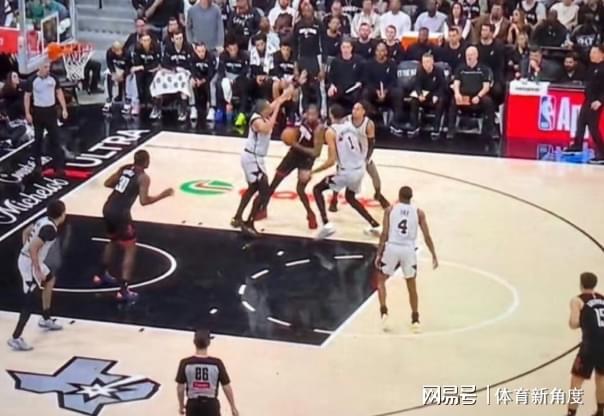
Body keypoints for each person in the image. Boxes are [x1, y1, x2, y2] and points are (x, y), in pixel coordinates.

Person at [95, 150, 174, 302]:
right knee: (130, 248)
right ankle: (123, 290)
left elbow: (107, 183)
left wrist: (123, 189)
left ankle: (99, 275)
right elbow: (144, 201)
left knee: (113, 241)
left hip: (108, 208)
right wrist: (163, 195)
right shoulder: (143, 177)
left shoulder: (125, 168)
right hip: (121, 214)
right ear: (146, 161)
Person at [312, 103, 381, 239]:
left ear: (331, 115)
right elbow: (360, 145)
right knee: (350, 198)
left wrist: (314, 171)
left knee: (317, 189)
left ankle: (326, 225)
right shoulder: (350, 126)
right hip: (360, 169)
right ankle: (375, 225)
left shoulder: (331, 132)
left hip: (347, 173)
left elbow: (331, 160)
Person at [374, 186, 438, 332]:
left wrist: (379, 253)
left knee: (381, 280)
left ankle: (384, 312)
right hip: (408, 250)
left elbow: (384, 234)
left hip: (392, 248)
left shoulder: (390, 210)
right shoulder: (418, 212)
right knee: (411, 285)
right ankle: (415, 320)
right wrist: (433, 253)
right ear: (411, 197)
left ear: (399, 196)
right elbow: (427, 236)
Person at [231, 89, 292, 236]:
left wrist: (287, 93)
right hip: (252, 159)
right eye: (268, 107)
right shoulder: (256, 120)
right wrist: (277, 108)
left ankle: (237, 217)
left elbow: (277, 102)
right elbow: (267, 128)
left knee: (253, 188)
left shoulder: (262, 114)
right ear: (263, 110)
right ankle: (249, 223)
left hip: (256, 159)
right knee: (264, 192)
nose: (271, 108)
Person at [7, 199, 67, 351]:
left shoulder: (43, 220)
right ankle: (15, 338)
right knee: (30, 300)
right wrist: (37, 269)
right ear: (62, 214)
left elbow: (26, 231)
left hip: (31, 260)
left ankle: (45, 318)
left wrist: (25, 249)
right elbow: (33, 248)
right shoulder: (50, 230)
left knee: (50, 279)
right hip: (30, 264)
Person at [254, 105, 324, 229]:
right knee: (274, 183)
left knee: (300, 190)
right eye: (309, 114)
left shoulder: (319, 129)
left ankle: (310, 214)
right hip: (293, 155)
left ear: (318, 115)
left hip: (307, 159)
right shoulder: (302, 120)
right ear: (306, 114)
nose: (310, 117)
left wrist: (295, 145)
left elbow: (316, 153)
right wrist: (289, 136)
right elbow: (292, 132)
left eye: (313, 115)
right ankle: (263, 208)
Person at [329, 100, 390, 211]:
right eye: (353, 108)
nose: (354, 111)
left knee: (375, 177)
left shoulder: (368, 124)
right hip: (349, 156)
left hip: (363, 154)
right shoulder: (346, 120)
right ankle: (334, 199)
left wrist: (367, 158)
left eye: (357, 109)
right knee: (339, 177)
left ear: (363, 112)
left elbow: (371, 143)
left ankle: (378, 195)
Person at [176, 329, 239, 416]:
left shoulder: (185, 363)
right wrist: (233, 406)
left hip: (193, 404)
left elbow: (180, 388)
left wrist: (181, 405)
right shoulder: (217, 363)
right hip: (211, 405)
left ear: (194, 342)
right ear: (209, 343)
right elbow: (226, 386)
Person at [566, 272, 604, 416]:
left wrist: (585, 322)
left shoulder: (577, 300)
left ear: (581, 284)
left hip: (590, 346)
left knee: (576, 381)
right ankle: (600, 411)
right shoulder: (602, 298)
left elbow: (573, 323)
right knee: (601, 378)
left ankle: (571, 413)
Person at [24, 61, 68, 177]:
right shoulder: (32, 80)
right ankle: (37, 166)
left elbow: (59, 93)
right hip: (38, 112)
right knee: (38, 139)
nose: (48, 69)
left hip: (51, 111)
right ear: (39, 67)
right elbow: (27, 97)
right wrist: (27, 113)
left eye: (48, 67)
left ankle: (58, 167)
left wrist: (64, 108)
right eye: (45, 67)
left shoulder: (53, 78)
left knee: (55, 139)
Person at [564, 44, 604, 164]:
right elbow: (581, 55)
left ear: (602, 55)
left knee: (593, 127)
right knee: (581, 122)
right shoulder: (592, 66)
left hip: (596, 101)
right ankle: (577, 145)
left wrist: (600, 101)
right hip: (588, 99)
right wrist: (574, 46)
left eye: (594, 53)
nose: (591, 55)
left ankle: (602, 154)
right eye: (591, 52)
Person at [447, 46, 495, 141]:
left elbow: (486, 87)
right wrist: (457, 94)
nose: (469, 57)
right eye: (467, 55)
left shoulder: (484, 69)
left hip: (478, 96)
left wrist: (478, 96)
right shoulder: (460, 68)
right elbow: (456, 83)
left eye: (471, 55)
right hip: (464, 96)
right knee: (453, 101)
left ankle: (491, 129)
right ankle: (450, 129)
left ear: (476, 55)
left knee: (488, 101)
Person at [409, 52, 446, 139]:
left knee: (440, 102)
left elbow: (442, 86)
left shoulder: (439, 71)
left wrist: (436, 95)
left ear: (432, 62)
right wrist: (420, 94)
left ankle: (436, 129)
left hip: (435, 93)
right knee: (413, 100)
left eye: (428, 62)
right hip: (424, 93)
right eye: (424, 62)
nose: (426, 64)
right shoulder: (420, 70)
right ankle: (414, 126)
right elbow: (417, 84)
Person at [131, 32, 162, 119]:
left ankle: (155, 106)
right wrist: (143, 68)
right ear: (140, 41)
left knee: (151, 82)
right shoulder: (137, 48)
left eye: (148, 40)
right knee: (135, 77)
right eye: (144, 40)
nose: (146, 42)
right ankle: (136, 102)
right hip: (142, 71)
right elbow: (136, 63)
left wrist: (142, 67)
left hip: (152, 71)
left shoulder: (156, 47)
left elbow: (156, 64)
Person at [189, 42, 216, 121]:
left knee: (211, 84)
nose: (201, 54)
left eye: (203, 51)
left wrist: (203, 80)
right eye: (199, 51)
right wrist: (195, 78)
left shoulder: (211, 57)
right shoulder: (192, 57)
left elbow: (211, 73)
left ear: (205, 49)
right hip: (198, 77)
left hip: (208, 78)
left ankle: (212, 108)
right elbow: (192, 70)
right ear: (195, 51)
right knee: (191, 82)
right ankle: (193, 107)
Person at [103, 41, 128, 113]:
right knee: (108, 75)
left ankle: (127, 100)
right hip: (116, 68)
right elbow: (109, 64)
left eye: (119, 50)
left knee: (128, 79)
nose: (118, 53)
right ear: (113, 50)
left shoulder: (127, 52)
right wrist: (113, 73)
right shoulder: (109, 52)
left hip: (126, 69)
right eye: (116, 51)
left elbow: (129, 65)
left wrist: (123, 74)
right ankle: (109, 98)